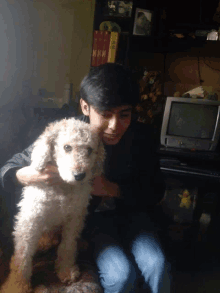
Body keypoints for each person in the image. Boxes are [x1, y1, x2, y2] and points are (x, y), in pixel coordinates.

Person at [0, 63, 171, 293]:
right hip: (94, 223)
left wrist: (111, 189)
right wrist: (33, 176)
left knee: (157, 265)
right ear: (85, 107)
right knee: (121, 276)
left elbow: (156, 190)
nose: (114, 126)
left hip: (135, 216)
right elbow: (9, 168)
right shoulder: (67, 131)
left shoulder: (142, 137)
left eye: (124, 115)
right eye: (105, 114)